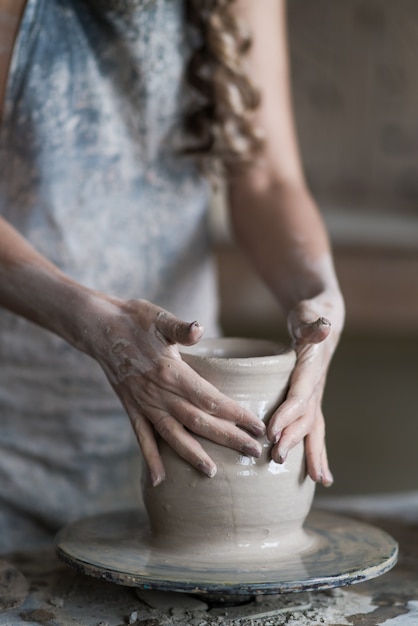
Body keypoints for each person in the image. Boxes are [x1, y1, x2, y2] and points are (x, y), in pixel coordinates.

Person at [0, 0, 345, 553]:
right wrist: (93, 323)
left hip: (190, 425)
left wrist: (321, 297)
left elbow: (265, 179)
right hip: (14, 443)